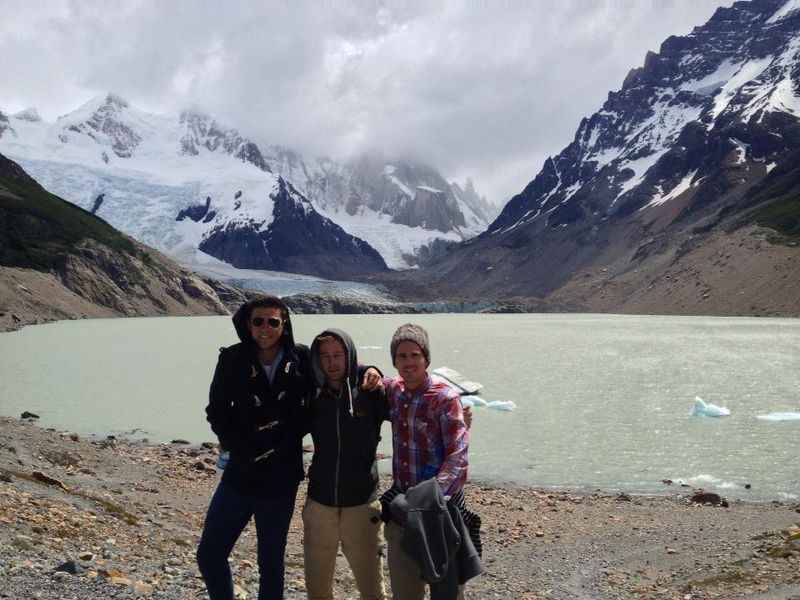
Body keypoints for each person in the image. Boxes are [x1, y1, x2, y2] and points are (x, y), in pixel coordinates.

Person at [196, 296, 380, 600]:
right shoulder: (232, 358)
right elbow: (215, 410)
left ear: (284, 324)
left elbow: (334, 368)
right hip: (239, 474)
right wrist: (235, 443)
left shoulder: (301, 358)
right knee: (210, 553)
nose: (265, 328)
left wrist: (369, 369)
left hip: (280, 478)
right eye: (258, 321)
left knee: (270, 561)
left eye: (273, 322)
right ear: (247, 324)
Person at [379, 324, 481, 600]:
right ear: (394, 361)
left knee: (447, 590)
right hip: (402, 509)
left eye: (415, 355)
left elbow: (458, 458)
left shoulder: (444, 398)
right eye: (402, 356)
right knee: (405, 589)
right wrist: (370, 372)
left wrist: (429, 497)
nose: (409, 362)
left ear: (426, 359)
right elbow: (373, 377)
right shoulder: (394, 392)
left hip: (440, 510)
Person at [302, 329, 387, 600]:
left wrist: (373, 370)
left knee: (372, 588)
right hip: (320, 504)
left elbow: (410, 411)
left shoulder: (370, 391)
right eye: (325, 356)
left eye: (338, 355)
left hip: (362, 504)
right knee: (317, 589)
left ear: (349, 355)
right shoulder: (311, 393)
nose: (332, 362)